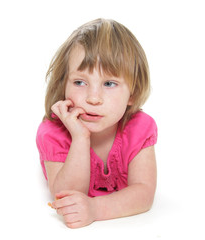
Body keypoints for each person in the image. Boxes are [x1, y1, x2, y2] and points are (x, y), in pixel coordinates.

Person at [36, 18, 158, 228]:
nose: (93, 98)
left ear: (132, 93)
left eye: (109, 83)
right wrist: (80, 137)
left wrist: (95, 209)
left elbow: (144, 193)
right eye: (80, 82)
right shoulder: (52, 133)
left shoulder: (139, 129)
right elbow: (66, 198)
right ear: (63, 84)